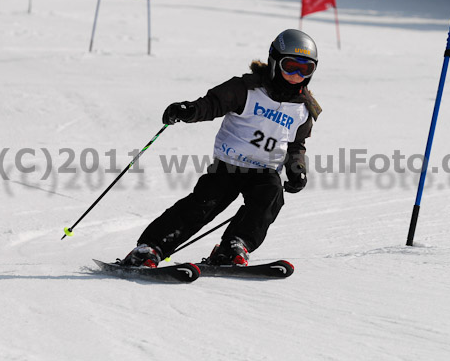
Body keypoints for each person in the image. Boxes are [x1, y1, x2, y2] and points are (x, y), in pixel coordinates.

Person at [120, 29, 322, 268]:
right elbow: (212, 104)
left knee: (270, 198)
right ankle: (150, 248)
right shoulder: (245, 88)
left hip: (265, 170)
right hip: (229, 166)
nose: (297, 75)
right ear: (274, 61)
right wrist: (189, 110)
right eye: (290, 66)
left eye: (305, 69)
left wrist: (297, 168)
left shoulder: (303, 107)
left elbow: (296, 143)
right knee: (203, 205)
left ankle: (234, 246)